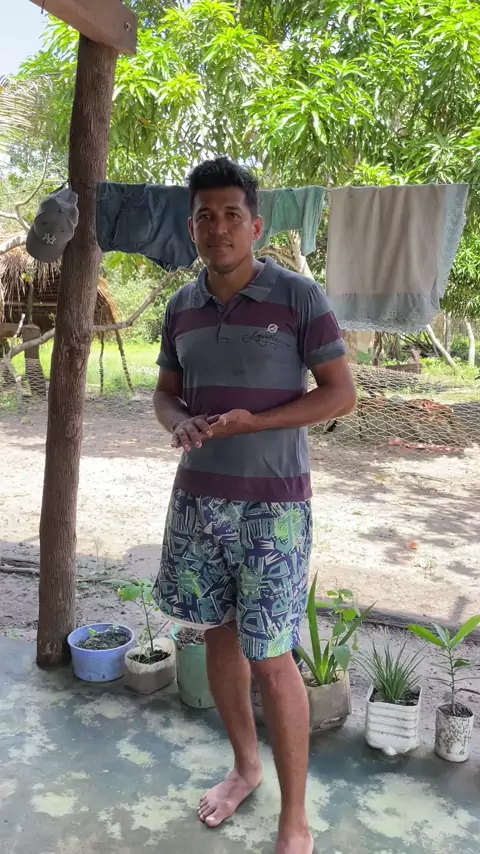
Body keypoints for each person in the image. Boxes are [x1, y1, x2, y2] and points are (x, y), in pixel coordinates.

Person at [152, 157, 356, 854]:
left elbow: (339, 394)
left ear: (256, 225)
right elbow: (165, 393)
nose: (219, 228)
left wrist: (255, 423)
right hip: (197, 503)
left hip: (274, 509)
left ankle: (294, 818)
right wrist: (178, 421)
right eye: (205, 216)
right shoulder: (181, 308)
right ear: (192, 228)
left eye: (232, 214)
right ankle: (245, 767)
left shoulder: (299, 296)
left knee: (272, 658)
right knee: (218, 636)